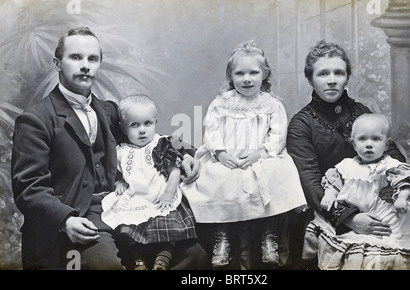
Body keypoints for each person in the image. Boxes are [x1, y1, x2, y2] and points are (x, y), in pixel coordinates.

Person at [11, 26, 202, 270]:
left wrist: (185, 154)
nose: (85, 65)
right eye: (75, 57)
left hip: (121, 208)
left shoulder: (109, 110)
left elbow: (149, 139)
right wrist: (65, 220)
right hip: (76, 217)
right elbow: (28, 187)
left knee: (195, 255)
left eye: (92, 59)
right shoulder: (36, 120)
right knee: (106, 266)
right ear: (57, 63)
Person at [181, 40, 307, 269]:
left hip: (260, 157)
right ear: (231, 76)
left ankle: (270, 235)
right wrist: (219, 153)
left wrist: (262, 154)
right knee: (218, 178)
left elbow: (278, 134)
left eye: (253, 72)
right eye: (240, 73)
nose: (247, 79)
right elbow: (211, 130)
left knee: (278, 172)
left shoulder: (271, 104)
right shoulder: (221, 103)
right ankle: (224, 236)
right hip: (228, 157)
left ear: (264, 74)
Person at [286, 40, 406, 269]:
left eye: (338, 73)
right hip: (326, 211)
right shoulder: (302, 124)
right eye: (323, 73)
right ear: (310, 79)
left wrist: (390, 192)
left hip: (376, 206)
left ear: (346, 77)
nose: (332, 80)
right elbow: (310, 184)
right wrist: (350, 218)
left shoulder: (361, 112)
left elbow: (393, 157)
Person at [303, 113, 410, 269]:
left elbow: (407, 182)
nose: (369, 144)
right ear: (354, 144)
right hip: (357, 217)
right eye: (362, 139)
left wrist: (401, 198)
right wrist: (330, 194)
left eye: (376, 139)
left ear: (386, 145)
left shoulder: (390, 166)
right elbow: (333, 182)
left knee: (390, 250)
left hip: (387, 219)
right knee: (353, 252)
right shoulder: (346, 166)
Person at [101, 95, 199, 270]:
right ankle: (139, 260)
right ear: (123, 129)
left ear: (155, 122)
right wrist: (119, 182)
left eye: (147, 123)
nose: (142, 130)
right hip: (137, 195)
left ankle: (163, 258)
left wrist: (168, 193)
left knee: (166, 224)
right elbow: (116, 171)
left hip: (160, 193)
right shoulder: (121, 151)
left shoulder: (161, 145)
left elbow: (174, 171)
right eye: (134, 125)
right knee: (131, 226)